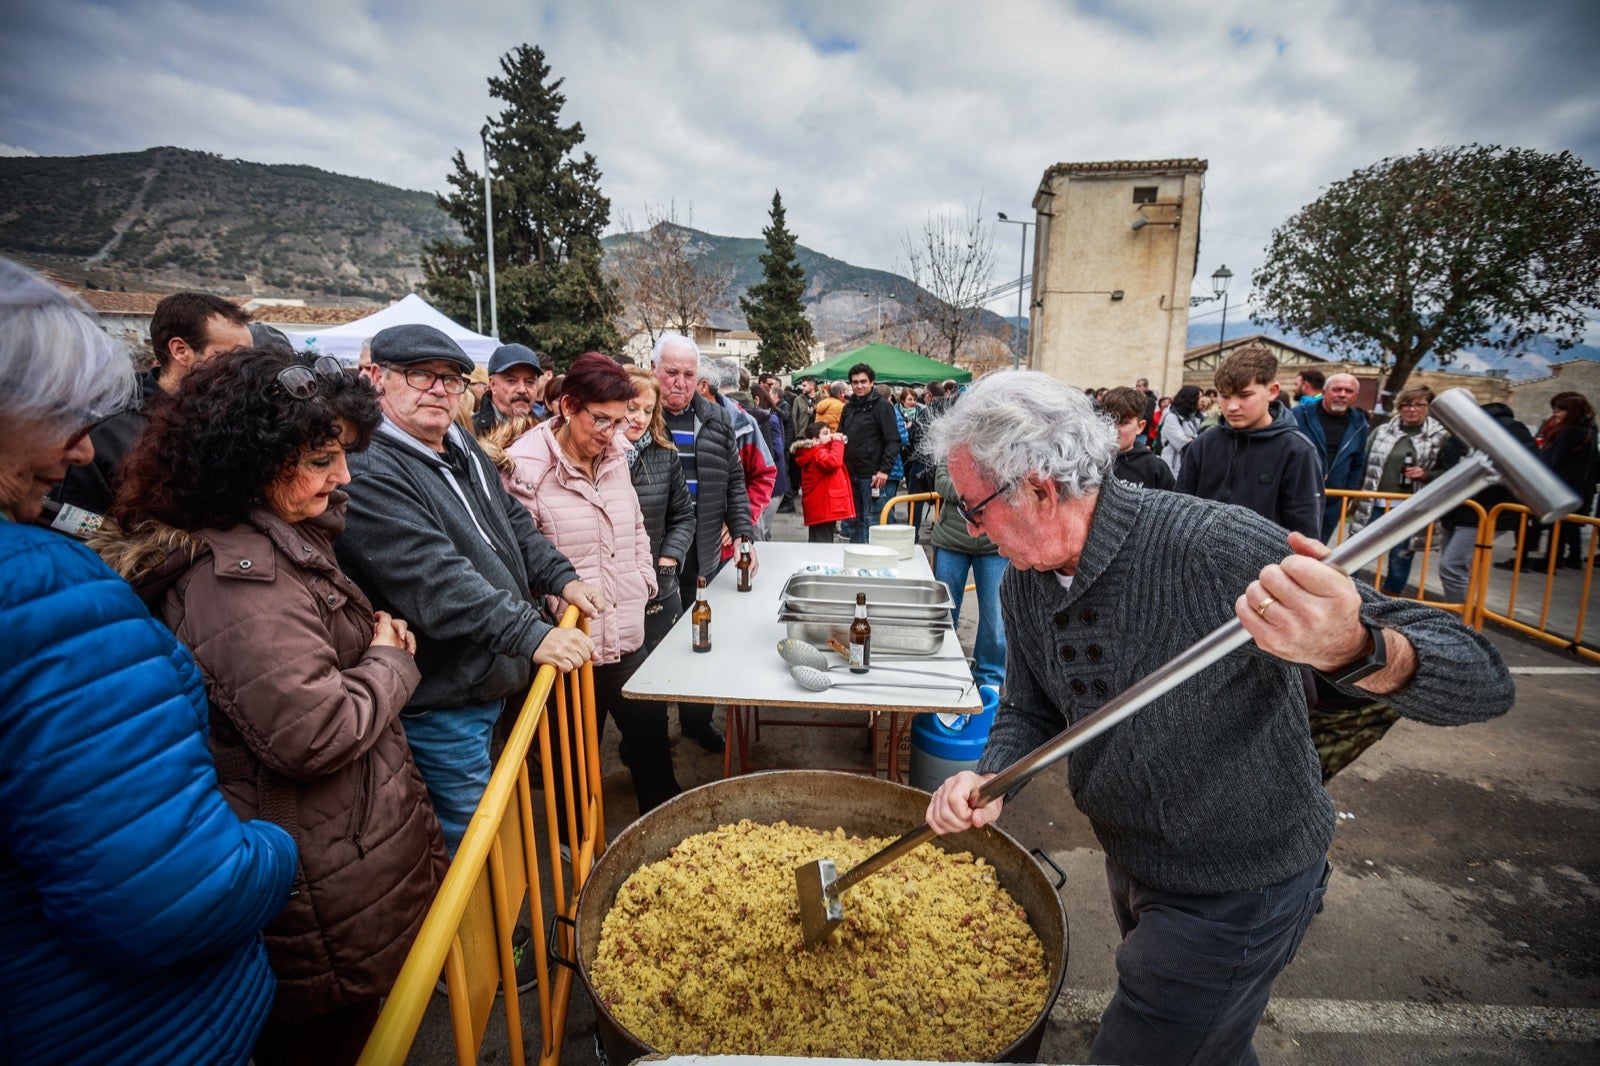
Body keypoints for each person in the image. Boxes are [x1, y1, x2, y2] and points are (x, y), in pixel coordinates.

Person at [921, 369, 1515, 1066]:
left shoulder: (1212, 546)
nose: (970, 528)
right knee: (1209, 1046)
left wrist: (1355, 646)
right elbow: (1031, 704)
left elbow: (1482, 678)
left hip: (1242, 881)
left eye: (975, 507)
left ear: (1040, 490)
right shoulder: (1028, 581)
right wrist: (989, 777)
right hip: (1136, 855)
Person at [101, 348, 448, 1064]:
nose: (343, 477)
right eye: (322, 459)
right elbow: (312, 730)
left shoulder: (273, 543)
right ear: (249, 463)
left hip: (338, 860)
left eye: (343, 456)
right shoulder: (239, 583)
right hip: (319, 887)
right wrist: (390, 662)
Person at [0, 258, 297, 1065]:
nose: (83, 450)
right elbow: (168, 894)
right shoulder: (44, 596)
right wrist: (274, 849)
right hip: (130, 1030)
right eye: (63, 418)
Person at [339, 324, 599, 854]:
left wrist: (559, 575)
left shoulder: (458, 443)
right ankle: (504, 937)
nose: (438, 389)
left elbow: (510, 522)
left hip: (491, 674)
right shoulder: (369, 468)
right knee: (471, 838)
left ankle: (509, 925)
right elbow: (433, 578)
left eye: (452, 379)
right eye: (420, 376)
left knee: (498, 817)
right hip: (444, 695)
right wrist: (530, 632)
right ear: (376, 378)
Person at [498, 354, 681, 814]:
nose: (610, 432)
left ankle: (664, 835)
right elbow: (520, 557)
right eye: (600, 419)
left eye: (618, 421)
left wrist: (643, 583)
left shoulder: (616, 454)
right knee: (573, 762)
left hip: (626, 628)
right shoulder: (525, 469)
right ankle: (575, 850)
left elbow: (636, 526)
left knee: (651, 742)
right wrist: (553, 616)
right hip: (569, 649)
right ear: (567, 406)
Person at [44, 290, 253, 535]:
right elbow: (75, 527)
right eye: (232, 358)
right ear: (180, 351)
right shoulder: (105, 432)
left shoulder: (242, 420)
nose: (245, 370)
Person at [651, 332, 756, 752]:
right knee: (654, 643)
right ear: (654, 369)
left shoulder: (715, 417)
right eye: (671, 372)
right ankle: (651, 732)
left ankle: (697, 720)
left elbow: (735, 481)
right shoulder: (640, 415)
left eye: (688, 374)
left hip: (706, 547)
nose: (679, 382)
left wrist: (744, 534)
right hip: (656, 553)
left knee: (703, 635)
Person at [1175, 345, 1323, 540]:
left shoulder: (1298, 452)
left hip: (1266, 568)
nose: (1232, 406)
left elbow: (1305, 532)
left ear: (1272, 391)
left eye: (1244, 395)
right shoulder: (1204, 443)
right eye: (1224, 396)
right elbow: (1180, 509)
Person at [621, 365, 695, 652]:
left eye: (648, 410)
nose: (639, 418)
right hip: (612, 592)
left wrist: (669, 560)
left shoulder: (664, 454)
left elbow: (684, 515)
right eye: (632, 408)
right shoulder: (593, 456)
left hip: (658, 587)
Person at [1348, 386, 1448, 594]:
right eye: (1406, 405)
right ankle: (1347, 595)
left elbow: (1449, 471)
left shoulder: (1439, 436)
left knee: (1400, 558)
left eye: (1419, 405)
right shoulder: (1383, 431)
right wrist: (1355, 495)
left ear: (1429, 407)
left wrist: (1426, 474)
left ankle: (1390, 603)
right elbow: (1364, 463)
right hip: (1374, 504)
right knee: (1355, 552)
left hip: (1410, 508)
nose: (1412, 409)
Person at [929, 458, 1006, 691]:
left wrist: (965, 490)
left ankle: (989, 678)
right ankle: (940, 670)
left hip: (994, 544)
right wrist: (981, 492)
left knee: (995, 617)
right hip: (951, 540)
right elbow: (941, 482)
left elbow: (1008, 486)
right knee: (943, 613)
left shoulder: (1003, 444)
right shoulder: (956, 446)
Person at [1291, 372, 1369, 542]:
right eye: (1337, 389)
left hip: (1332, 502)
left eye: (1348, 391)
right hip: (1297, 498)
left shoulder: (1360, 424)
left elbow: (1358, 462)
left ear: (1355, 397)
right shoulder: (1299, 415)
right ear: (1325, 392)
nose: (1342, 395)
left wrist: (1347, 492)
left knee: (1318, 549)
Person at [1527, 392, 1597, 569]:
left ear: (1571, 412)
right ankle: (1558, 558)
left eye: (1559, 411)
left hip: (1559, 485)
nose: (1555, 415)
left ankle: (1550, 560)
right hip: (1575, 485)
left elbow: (1552, 459)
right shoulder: (1589, 431)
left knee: (1557, 526)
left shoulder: (1570, 432)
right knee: (1564, 526)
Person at [838, 362, 901, 543]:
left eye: (863, 381)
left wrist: (884, 470)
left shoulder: (882, 407)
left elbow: (893, 440)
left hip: (872, 476)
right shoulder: (848, 408)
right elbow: (842, 435)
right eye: (855, 382)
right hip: (850, 474)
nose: (859, 386)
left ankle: (873, 563)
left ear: (872, 382)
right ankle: (856, 561)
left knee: (872, 521)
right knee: (854, 522)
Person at [1101, 386, 1175, 491]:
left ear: (1140, 426)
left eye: (1123, 422)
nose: (1114, 428)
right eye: (1108, 420)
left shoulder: (1155, 468)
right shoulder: (1090, 462)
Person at [791, 420, 854, 543]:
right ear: (815, 440)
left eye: (830, 432)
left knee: (819, 541)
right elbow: (834, 462)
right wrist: (837, 442)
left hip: (821, 506)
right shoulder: (817, 453)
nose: (830, 436)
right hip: (823, 507)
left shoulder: (815, 452)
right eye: (825, 433)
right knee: (822, 543)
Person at [474, 343, 551, 435]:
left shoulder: (546, 432)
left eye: (530, 382)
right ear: (492, 384)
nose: (522, 390)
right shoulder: (471, 431)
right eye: (511, 381)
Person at [1159, 384, 1204, 479]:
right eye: (1199, 398)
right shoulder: (1171, 417)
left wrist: (1193, 438)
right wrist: (1196, 439)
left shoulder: (1196, 417)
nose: (1202, 401)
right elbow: (1181, 442)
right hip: (1173, 464)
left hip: (1188, 463)